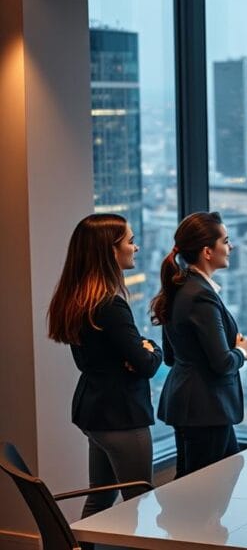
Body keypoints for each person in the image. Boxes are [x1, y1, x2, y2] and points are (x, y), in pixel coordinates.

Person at [47, 214, 162, 519]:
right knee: (139, 500)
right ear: (111, 251)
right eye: (130, 241)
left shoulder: (78, 297)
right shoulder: (110, 304)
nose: (135, 248)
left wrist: (135, 355)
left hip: (94, 411)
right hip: (121, 415)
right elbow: (146, 363)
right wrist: (152, 348)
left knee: (100, 497)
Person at [150, 212, 247, 478]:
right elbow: (223, 363)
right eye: (226, 241)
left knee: (212, 483)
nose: (231, 247)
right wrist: (242, 351)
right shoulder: (200, 296)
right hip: (205, 408)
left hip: (194, 407)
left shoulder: (182, 286)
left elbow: (172, 357)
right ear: (208, 251)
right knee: (202, 495)